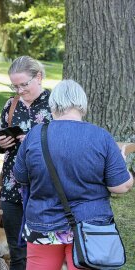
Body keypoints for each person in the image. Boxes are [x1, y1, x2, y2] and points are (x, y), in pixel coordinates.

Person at [13, 79, 133, 270]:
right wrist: (123, 164)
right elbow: (120, 186)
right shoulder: (101, 137)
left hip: (43, 222)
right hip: (91, 227)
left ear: (53, 104)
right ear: (82, 104)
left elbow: (20, 177)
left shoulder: (35, 135)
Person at [0, 56, 53, 270]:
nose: (19, 90)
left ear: (39, 77)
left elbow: (65, 141)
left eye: (23, 85)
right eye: (15, 85)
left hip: (44, 187)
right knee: (17, 251)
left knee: (44, 250)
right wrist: (1, 142)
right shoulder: (11, 104)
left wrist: (34, 140)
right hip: (11, 186)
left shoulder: (55, 104)